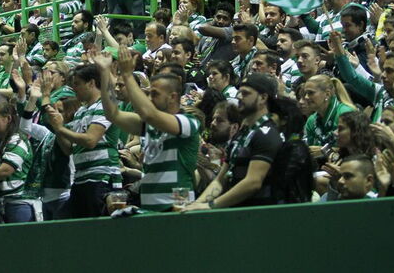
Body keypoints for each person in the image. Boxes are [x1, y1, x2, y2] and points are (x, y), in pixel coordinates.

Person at [98, 47, 200, 211]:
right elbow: (112, 114)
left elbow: (149, 114)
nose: (150, 98)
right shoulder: (150, 125)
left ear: (173, 97)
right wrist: (104, 73)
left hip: (178, 206)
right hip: (149, 206)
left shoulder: (188, 122)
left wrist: (127, 75)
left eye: (155, 94)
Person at [185, 74, 282, 210]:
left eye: (246, 93)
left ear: (263, 98)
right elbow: (220, 180)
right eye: (239, 92)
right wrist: (197, 204)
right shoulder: (242, 134)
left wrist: (211, 205)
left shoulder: (267, 133)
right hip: (235, 213)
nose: (239, 97)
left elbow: (253, 182)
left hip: (258, 214)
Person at [46, 63, 120, 218]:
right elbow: (68, 149)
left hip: (102, 177)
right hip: (80, 180)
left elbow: (90, 140)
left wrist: (61, 129)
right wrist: (57, 129)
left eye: (77, 84)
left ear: (91, 83)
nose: (74, 89)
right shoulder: (81, 111)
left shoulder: (105, 106)